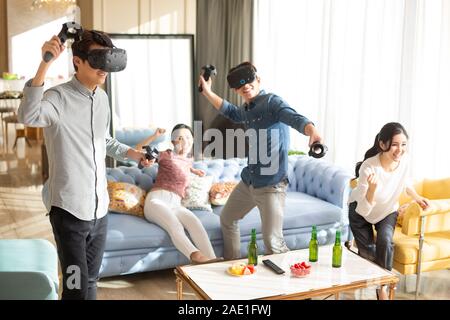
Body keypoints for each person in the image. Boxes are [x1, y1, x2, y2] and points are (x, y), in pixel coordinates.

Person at [18, 30, 152, 300]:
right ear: (77, 61)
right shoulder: (57, 98)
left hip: (99, 211)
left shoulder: (101, 99)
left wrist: (135, 154)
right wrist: (45, 63)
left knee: (91, 280)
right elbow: (29, 115)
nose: (104, 68)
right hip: (69, 214)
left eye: (108, 59)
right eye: (97, 60)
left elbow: (106, 141)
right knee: (75, 286)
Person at [198, 62, 323, 260]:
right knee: (227, 219)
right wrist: (207, 92)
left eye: (249, 80)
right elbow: (231, 112)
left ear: (258, 79)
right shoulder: (247, 108)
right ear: (235, 89)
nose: (245, 86)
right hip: (249, 181)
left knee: (273, 241)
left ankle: (288, 287)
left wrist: (312, 130)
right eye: (240, 85)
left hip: (271, 185)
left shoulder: (272, 102)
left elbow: (295, 118)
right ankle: (233, 265)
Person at [348, 122, 429, 300]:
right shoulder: (368, 167)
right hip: (360, 212)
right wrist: (371, 190)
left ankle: (382, 286)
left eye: (403, 145)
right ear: (383, 144)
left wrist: (416, 197)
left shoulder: (404, 161)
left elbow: (405, 182)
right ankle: (364, 272)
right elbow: (363, 209)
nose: (399, 150)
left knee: (385, 241)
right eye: (394, 145)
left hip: (386, 212)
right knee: (369, 251)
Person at [143, 124, 219, 264]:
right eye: (181, 138)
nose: (186, 141)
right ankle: (196, 256)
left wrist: (194, 171)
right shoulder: (166, 155)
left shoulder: (188, 161)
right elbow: (138, 149)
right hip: (157, 201)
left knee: (196, 223)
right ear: (173, 142)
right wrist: (155, 136)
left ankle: (212, 261)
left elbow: (183, 166)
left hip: (176, 204)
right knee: (176, 226)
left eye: (189, 137)